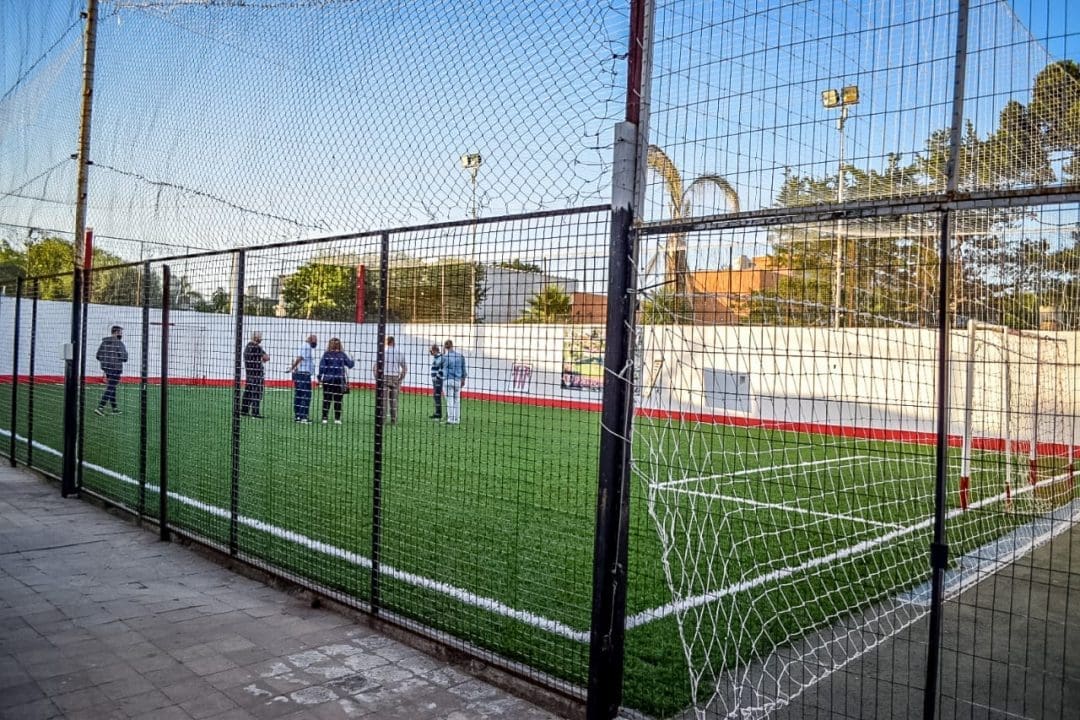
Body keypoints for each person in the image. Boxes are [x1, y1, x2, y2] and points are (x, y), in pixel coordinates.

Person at [318, 337, 354, 425]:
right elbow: (350, 365)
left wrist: (319, 378)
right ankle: (337, 419)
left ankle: (324, 418)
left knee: (326, 399)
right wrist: (353, 359)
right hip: (339, 380)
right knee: (338, 400)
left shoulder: (326, 354)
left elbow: (322, 367)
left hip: (328, 380)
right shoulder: (342, 354)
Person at [94, 326, 128, 416]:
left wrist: (105, 362)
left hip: (106, 368)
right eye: (120, 332)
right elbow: (124, 357)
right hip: (116, 368)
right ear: (116, 332)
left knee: (112, 387)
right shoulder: (119, 343)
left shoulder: (104, 342)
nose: (121, 334)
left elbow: (98, 355)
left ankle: (114, 408)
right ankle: (100, 407)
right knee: (111, 387)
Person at [374, 336, 407, 425]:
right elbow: (404, 368)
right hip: (395, 377)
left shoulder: (382, 352)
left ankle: (383, 420)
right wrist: (401, 378)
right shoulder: (399, 352)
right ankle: (393, 420)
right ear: (394, 342)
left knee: (383, 400)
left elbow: (375, 367)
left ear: (386, 342)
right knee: (394, 400)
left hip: (384, 377)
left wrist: (377, 378)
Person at [287, 334, 318, 423]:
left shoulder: (303, 346)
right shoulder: (307, 347)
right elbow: (300, 358)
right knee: (305, 395)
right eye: (315, 340)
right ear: (311, 340)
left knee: (299, 395)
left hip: (300, 374)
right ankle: (303, 416)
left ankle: (298, 416)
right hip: (304, 374)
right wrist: (292, 367)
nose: (316, 343)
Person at [240, 331, 270, 418]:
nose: (261, 338)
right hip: (257, 374)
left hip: (249, 373)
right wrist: (262, 357)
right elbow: (266, 358)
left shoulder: (248, 346)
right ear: (256, 338)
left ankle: (244, 411)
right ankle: (255, 413)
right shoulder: (257, 347)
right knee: (257, 393)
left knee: (248, 392)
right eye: (260, 337)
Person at [442, 339, 467, 425]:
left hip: (448, 380)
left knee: (449, 400)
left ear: (445, 347)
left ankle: (450, 419)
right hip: (457, 380)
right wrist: (463, 379)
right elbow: (464, 369)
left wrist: (443, 352)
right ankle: (457, 419)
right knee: (457, 400)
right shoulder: (460, 356)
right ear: (452, 345)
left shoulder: (445, 357)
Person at [428, 343, 444, 420]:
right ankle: (438, 413)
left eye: (432, 351)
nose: (431, 352)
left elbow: (441, 368)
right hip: (435, 380)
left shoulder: (440, 357)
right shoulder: (436, 357)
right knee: (436, 395)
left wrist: (436, 377)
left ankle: (438, 414)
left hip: (438, 380)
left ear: (435, 350)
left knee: (437, 395)